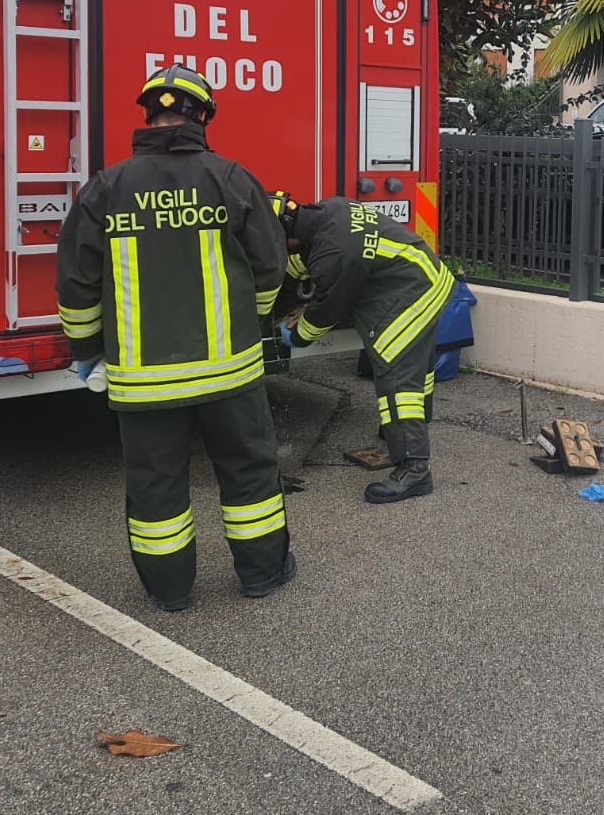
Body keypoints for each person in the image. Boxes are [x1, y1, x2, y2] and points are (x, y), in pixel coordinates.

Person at [56, 64, 295, 611]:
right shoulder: (231, 179)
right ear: (203, 117)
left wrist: (88, 350)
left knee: (156, 486)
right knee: (249, 474)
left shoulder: (106, 188)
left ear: (148, 115)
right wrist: (253, 323)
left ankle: (169, 591)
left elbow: (75, 284)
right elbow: (270, 269)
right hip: (230, 373)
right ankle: (262, 575)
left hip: (143, 380)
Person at [273, 194, 453, 503]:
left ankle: (415, 469)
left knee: (397, 379)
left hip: (412, 292)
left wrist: (297, 335)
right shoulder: (326, 214)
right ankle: (406, 429)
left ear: (287, 237)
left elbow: (325, 312)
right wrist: (279, 302)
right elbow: (297, 266)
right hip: (426, 277)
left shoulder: (334, 253)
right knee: (417, 369)